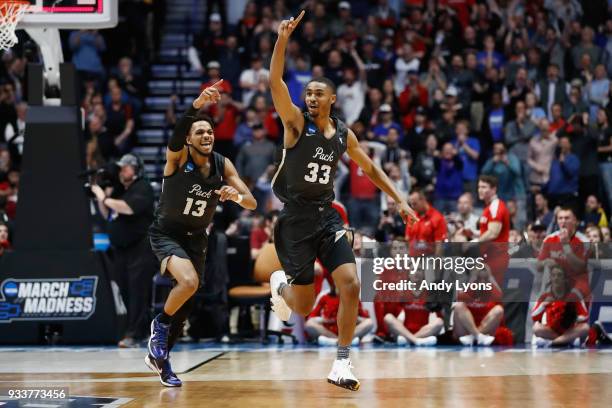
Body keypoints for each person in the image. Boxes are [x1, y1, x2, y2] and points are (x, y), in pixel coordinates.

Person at [268, 11, 417, 391]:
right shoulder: (295, 124)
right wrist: (283, 40)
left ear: (332, 99)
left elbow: (369, 167)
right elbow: (275, 83)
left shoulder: (343, 135)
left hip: (327, 218)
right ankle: (279, 287)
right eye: (309, 93)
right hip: (295, 221)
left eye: (319, 93)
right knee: (301, 306)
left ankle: (342, 362)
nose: (311, 97)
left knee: (350, 284)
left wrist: (399, 199)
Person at [145, 81, 256, 387]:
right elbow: (178, 131)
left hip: (197, 239)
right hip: (167, 233)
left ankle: (161, 360)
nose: (207, 135)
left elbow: (252, 201)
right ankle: (159, 323)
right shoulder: (178, 159)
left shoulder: (223, 164)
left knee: (184, 310)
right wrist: (197, 105)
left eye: (209, 132)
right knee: (189, 282)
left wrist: (235, 196)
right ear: (189, 141)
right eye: (200, 132)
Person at [91, 154, 155, 349]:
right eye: (121, 168)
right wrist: (102, 197)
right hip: (120, 248)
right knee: (125, 289)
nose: (122, 171)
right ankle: (142, 330)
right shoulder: (119, 189)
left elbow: (127, 208)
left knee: (137, 291)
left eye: (127, 167)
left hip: (141, 246)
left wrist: (103, 197)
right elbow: (106, 213)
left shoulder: (143, 187)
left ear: (136, 170)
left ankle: (133, 334)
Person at [473, 175, 511, 285]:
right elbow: (487, 232)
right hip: (488, 256)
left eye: (484, 187)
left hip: (497, 257)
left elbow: (493, 233)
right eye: (479, 187)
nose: (480, 190)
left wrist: (474, 242)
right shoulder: (488, 207)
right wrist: (473, 233)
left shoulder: (496, 207)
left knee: (494, 296)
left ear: (494, 189)